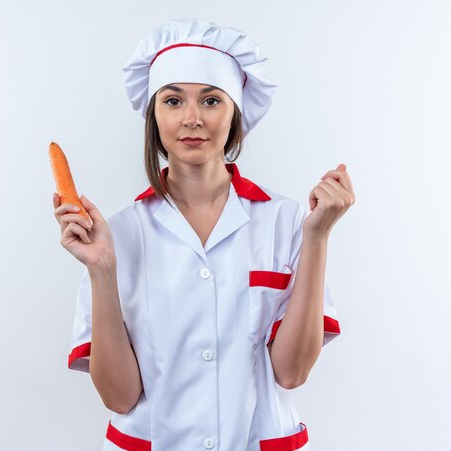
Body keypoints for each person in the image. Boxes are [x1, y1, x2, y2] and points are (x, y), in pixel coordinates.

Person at [52, 18, 355, 451]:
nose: (192, 118)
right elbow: (119, 397)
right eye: (173, 100)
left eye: (211, 100)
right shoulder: (114, 234)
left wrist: (319, 237)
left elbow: (292, 373)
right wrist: (102, 270)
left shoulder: (288, 221)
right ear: (153, 115)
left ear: (235, 113)